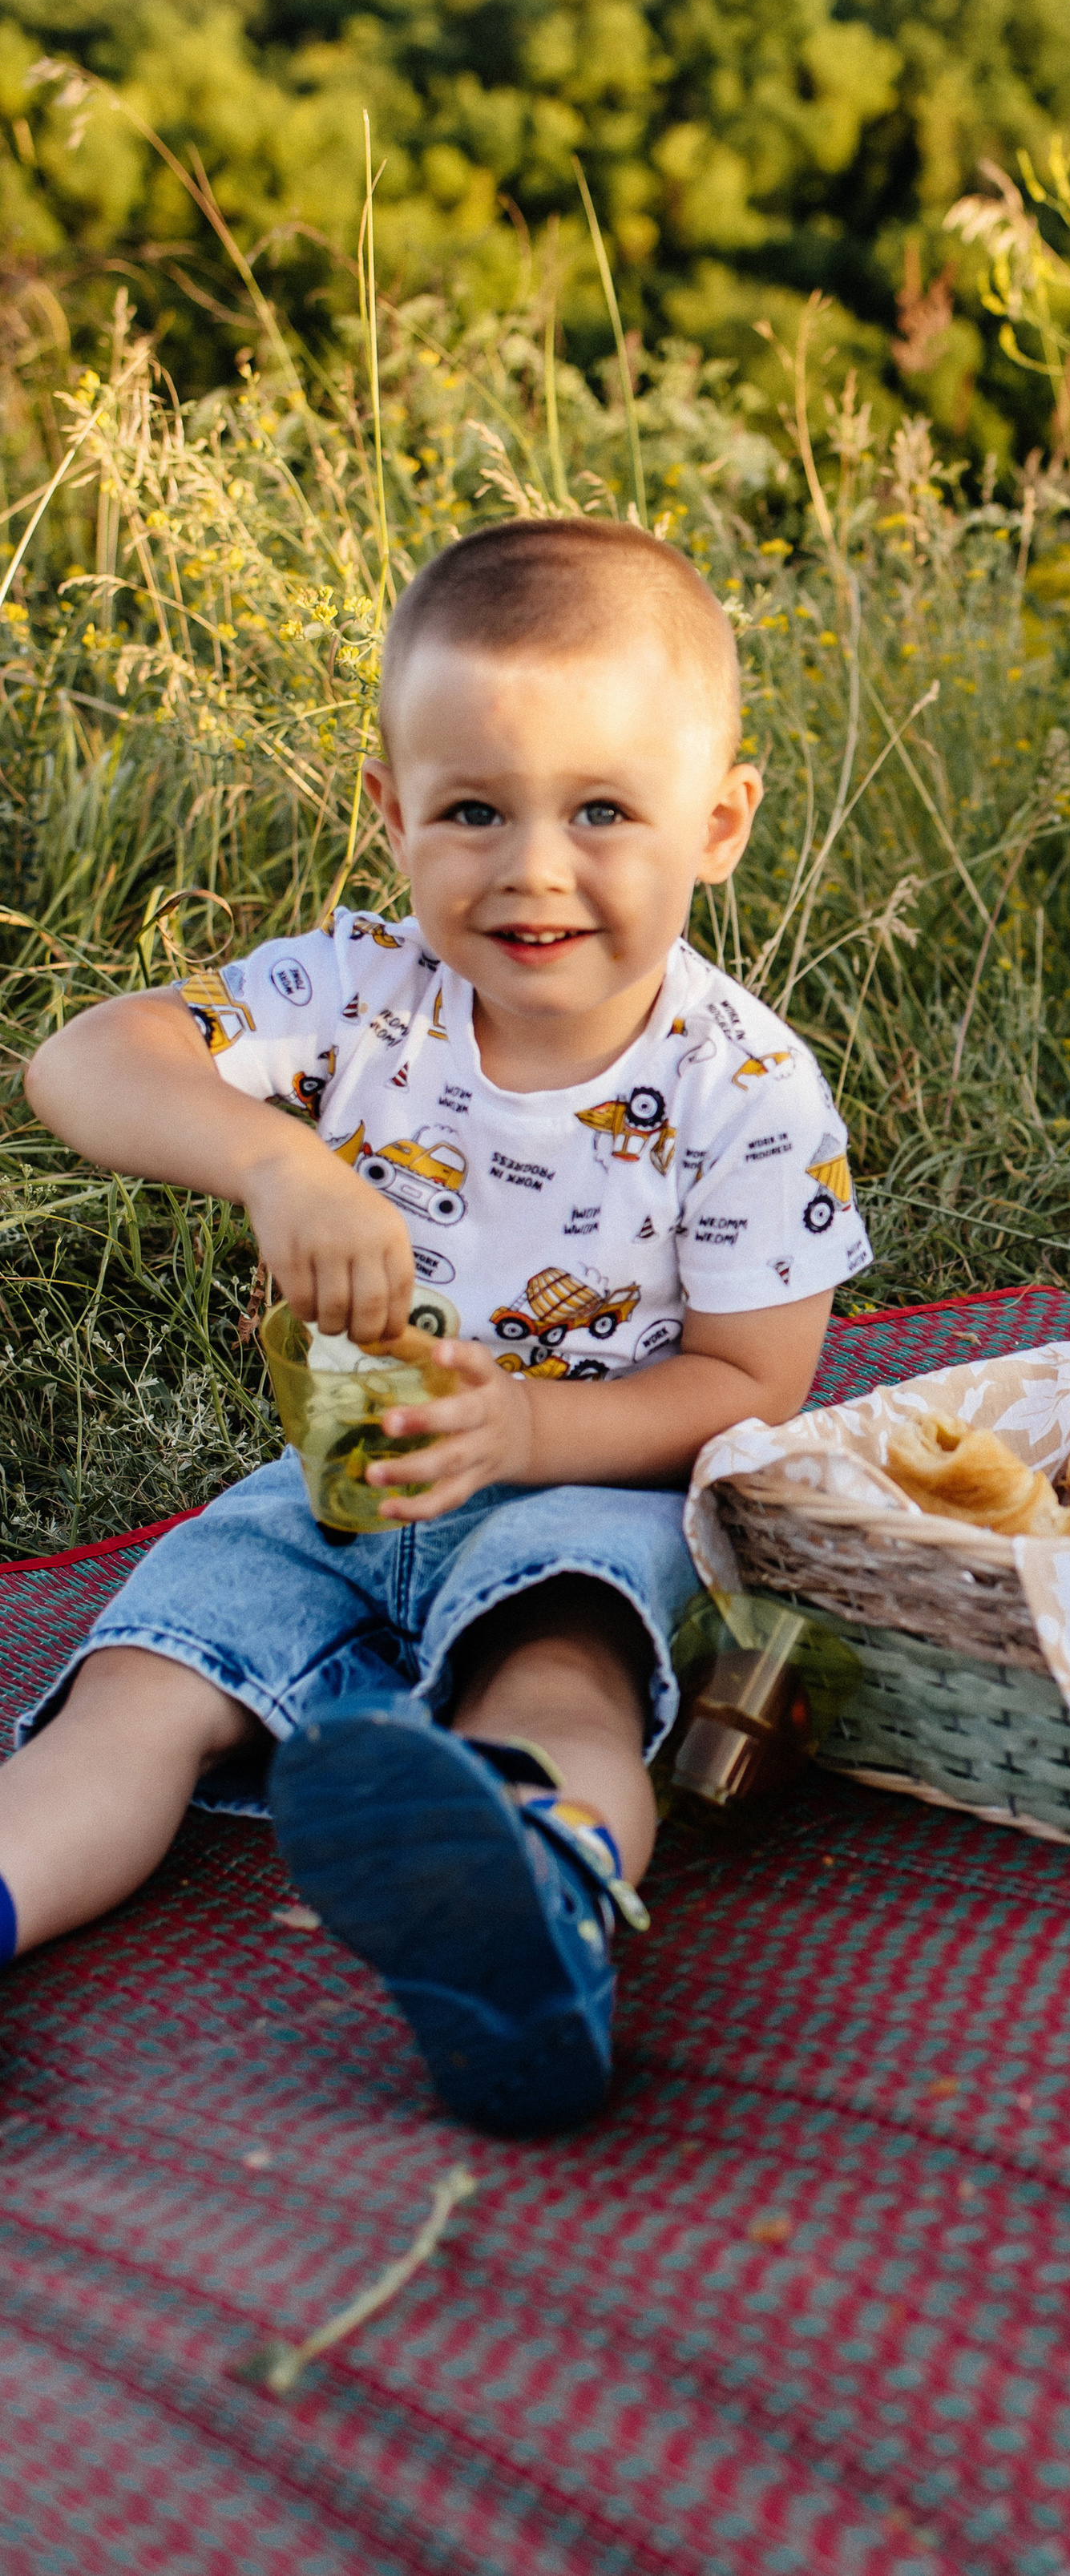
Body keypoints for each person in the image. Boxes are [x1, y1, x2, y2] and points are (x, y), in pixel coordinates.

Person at [6, 516, 871, 2134]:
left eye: (603, 811)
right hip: (331, 1491)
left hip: (590, 1493)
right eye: (472, 810)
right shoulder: (356, 993)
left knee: (559, 1682)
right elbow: (83, 1059)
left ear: (720, 821)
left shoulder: (746, 1087)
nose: (532, 866)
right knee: (139, 1687)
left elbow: (756, 1381)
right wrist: (273, 1160)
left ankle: (528, 1906)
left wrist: (530, 1431)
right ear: (391, 812)